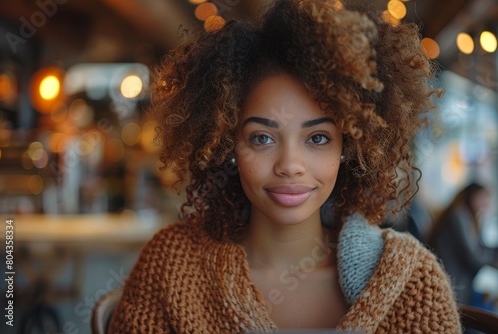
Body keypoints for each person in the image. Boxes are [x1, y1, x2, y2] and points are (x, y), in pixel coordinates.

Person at [109, 0, 462, 332]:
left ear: (347, 147)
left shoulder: (412, 280)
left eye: (318, 138)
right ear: (227, 145)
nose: (290, 165)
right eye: (262, 138)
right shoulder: (171, 269)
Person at [428, 182, 498, 306]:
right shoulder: (459, 216)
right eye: (482, 198)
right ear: (471, 196)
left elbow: (479, 249)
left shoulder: (468, 218)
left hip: (455, 284)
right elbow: (474, 256)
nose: (485, 204)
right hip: (451, 285)